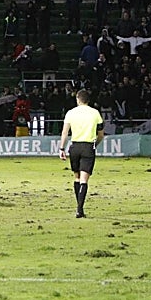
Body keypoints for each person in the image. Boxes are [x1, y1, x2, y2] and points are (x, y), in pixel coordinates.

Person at [57, 88, 103, 218]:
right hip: (88, 147)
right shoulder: (95, 113)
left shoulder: (71, 113)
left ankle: (79, 207)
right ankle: (80, 209)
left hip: (75, 147)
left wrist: (62, 149)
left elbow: (65, 133)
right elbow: (101, 134)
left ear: (78, 99)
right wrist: (95, 144)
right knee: (84, 180)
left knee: (76, 177)